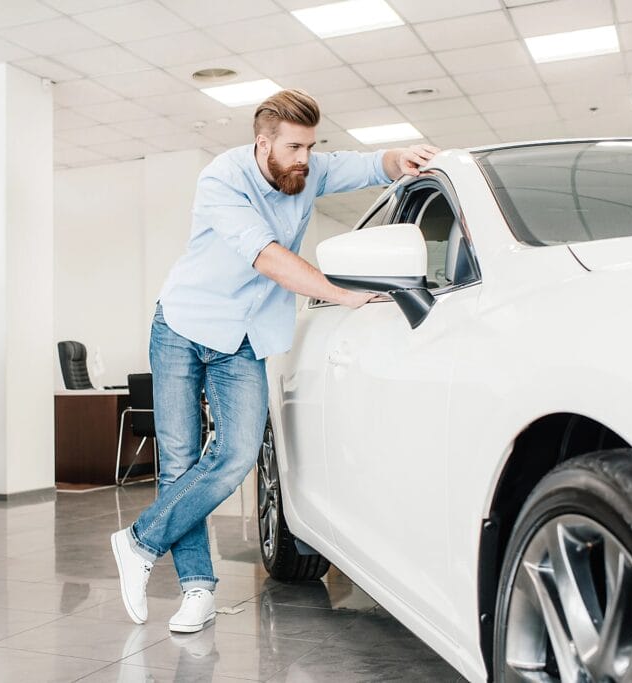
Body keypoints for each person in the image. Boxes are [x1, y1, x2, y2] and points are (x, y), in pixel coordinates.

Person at [110, 89, 439, 633]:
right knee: (179, 461)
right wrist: (342, 294)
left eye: (311, 146)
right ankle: (197, 589)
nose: (306, 158)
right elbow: (267, 257)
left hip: (243, 336)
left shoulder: (304, 169)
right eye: (294, 147)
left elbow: (358, 165)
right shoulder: (221, 179)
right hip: (182, 325)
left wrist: (395, 158)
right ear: (263, 143)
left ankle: (138, 542)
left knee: (237, 453)